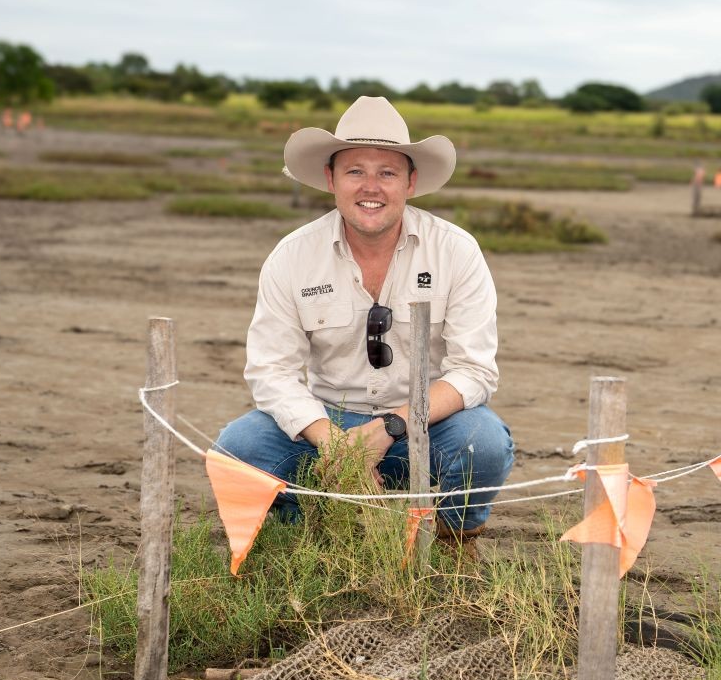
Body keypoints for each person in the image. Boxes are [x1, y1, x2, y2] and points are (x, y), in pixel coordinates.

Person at [216, 96, 514, 543]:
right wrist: (335, 444)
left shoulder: (456, 250)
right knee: (238, 448)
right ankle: (317, 523)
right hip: (328, 425)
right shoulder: (292, 256)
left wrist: (391, 426)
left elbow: (474, 371)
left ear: (411, 182)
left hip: (427, 426)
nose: (370, 187)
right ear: (330, 179)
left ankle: (455, 541)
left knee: (484, 444)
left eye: (387, 173)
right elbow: (271, 370)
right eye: (355, 171)